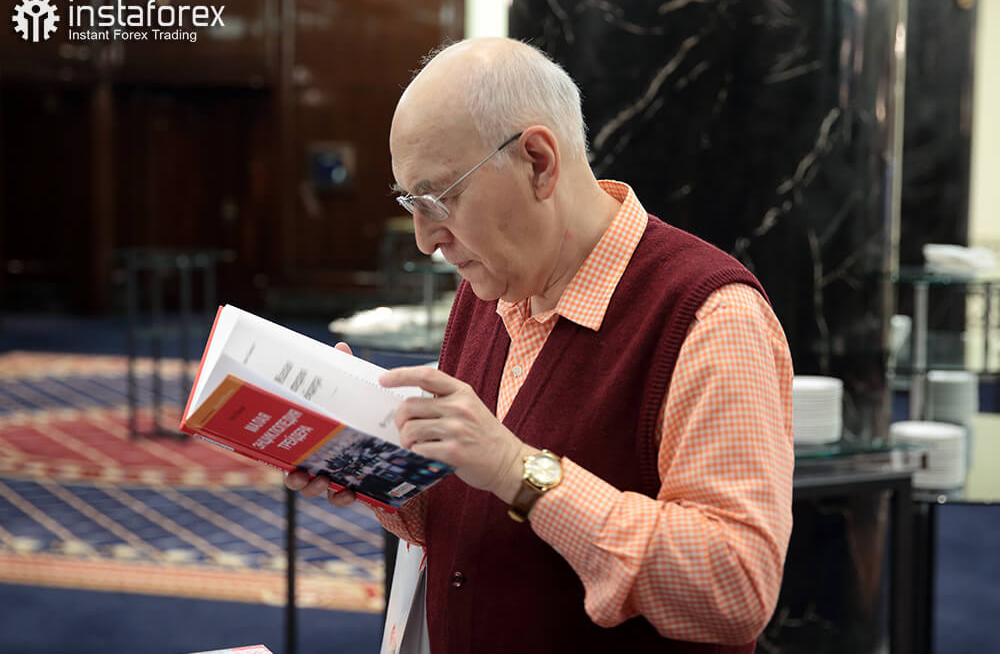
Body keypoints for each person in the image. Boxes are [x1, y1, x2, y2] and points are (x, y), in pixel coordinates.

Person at [286, 38, 795, 652]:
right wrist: (372, 457)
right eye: (410, 203)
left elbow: (736, 586)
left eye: (440, 198)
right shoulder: (488, 292)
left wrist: (520, 472)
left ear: (538, 163)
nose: (425, 240)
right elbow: (479, 516)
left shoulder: (710, 314)